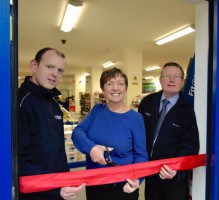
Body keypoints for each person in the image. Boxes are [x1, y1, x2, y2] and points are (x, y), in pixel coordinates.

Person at [18, 47, 85, 200]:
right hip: (35, 193)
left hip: (58, 189)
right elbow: (19, 160)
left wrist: (65, 180)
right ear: (34, 66)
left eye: (60, 70)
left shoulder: (54, 104)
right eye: (49, 67)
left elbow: (58, 152)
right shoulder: (20, 103)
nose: (55, 74)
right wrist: (54, 187)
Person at [72, 67, 148, 200]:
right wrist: (92, 148)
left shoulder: (136, 118)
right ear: (103, 90)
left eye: (120, 83)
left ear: (125, 88)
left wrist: (137, 179)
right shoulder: (97, 110)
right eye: (109, 84)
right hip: (94, 183)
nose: (115, 88)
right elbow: (77, 132)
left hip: (122, 186)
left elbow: (141, 154)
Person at [138, 62, 200, 200]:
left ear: (182, 82)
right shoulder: (147, 102)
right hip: (150, 175)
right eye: (167, 76)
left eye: (176, 76)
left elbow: (190, 147)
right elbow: (138, 135)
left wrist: (177, 172)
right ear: (160, 80)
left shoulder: (187, 110)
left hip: (173, 179)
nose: (171, 80)